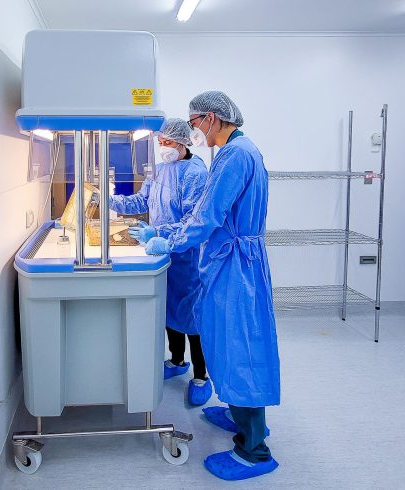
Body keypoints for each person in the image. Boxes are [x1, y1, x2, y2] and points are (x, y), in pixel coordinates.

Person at [145, 92, 281, 481]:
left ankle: (254, 449)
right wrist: (162, 230)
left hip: (235, 265)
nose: (193, 132)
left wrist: (167, 240)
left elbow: (205, 217)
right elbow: (206, 213)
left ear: (210, 117)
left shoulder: (235, 156)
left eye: (195, 124)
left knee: (241, 350)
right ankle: (239, 412)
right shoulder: (234, 152)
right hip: (230, 260)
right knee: (225, 342)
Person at [109, 118, 212, 405]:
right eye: (160, 142)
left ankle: (201, 376)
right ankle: (177, 361)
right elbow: (142, 202)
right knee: (169, 311)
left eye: (168, 142)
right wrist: (110, 200)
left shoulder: (195, 173)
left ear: (183, 142)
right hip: (163, 253)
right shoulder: (158, 170)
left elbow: (192, 220)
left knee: (191, 316)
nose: (163, 147)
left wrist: (158, 231)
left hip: (188, 256)